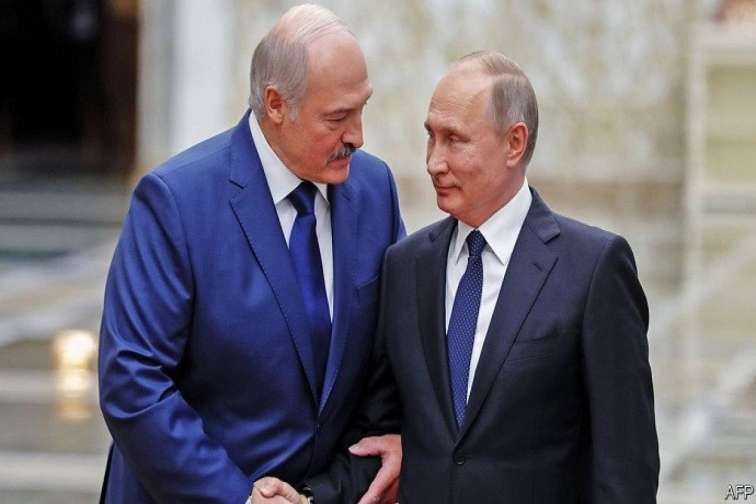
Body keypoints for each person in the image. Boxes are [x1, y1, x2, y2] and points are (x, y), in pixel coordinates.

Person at [259, 51, 660, 503]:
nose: (434, 161)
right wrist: (309, 499)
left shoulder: (593, 268)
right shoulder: (405, 266)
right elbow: (381, 434)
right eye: (430, 137)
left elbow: (626, 470)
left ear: (514, 143)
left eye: (454, 140)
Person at [97, 5, 404, 503]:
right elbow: (133, 382)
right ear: (276, 104)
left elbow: (389, 358)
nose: (357, 135)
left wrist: (332, 488)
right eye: (337, 117)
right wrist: (238, 497)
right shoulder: (175, 201)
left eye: (361, 108)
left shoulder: (375, 190)